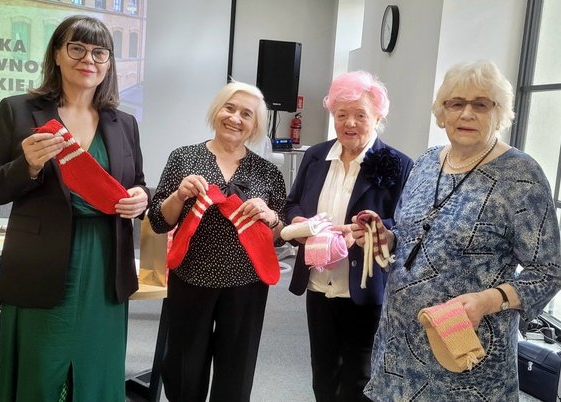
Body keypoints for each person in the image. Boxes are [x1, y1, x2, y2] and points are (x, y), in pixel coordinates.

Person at [351, 61, 561, 401]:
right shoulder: (426, 162)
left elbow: (549, 270)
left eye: (481, 104)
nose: (466, 113)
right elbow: (413, 237)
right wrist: (386, 239)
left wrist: (487, 301)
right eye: (456, 103)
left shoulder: (520, 175)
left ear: (499, 112)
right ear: (442, 111)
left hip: (466, 358)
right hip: (398, 350)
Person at [0, 15, 150, 401]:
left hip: (106, 264)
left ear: (108, 63)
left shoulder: (124, 123)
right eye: (77, 48)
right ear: (57, 54)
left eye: (99, 52)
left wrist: (141, 197)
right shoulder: (17, 110)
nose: (88, 59)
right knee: (42, 368)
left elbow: (138, 182)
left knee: (96, 367)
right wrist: (27, 165)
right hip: (40, 262)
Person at [147, 80, 286, 402]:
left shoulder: (268, 173)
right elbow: (158, 220)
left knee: (236, 371)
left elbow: (279, 237)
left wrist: (271, 217)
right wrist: (179, 196)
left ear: (255, 125)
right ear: (216, 111)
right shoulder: (184, 158)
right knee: (184, 367)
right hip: (191, 278)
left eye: (246, 114)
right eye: (229, 108)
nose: (235, 118)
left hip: (246, 284)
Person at [283, 71, 413, 402]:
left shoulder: (398, 164)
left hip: (365, 287)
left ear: (378, 116)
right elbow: (293, 202)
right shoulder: (316, 156)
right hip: (319, 282)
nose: (349, 123)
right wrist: (298, 220)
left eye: (360, 115)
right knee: (323, 373)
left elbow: (406, 225)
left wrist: (374, 228)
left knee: (358, 378)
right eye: (341, 115)